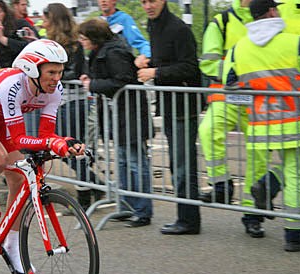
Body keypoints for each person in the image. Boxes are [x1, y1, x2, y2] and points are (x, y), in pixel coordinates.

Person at [0, 39, 85, 273]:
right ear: (32, 70)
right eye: (51, 72)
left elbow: (45, 134)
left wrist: (64, 144)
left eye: (60, 72)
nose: (57, 78)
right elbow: (20, 140)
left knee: (20, 179)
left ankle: (11, 244)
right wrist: (55, 143)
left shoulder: (55, 91)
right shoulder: (12, 86)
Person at [223, 0, 300, 251]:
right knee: (298, 176)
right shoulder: (297, 43)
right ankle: (294, 235)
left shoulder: (240, 49)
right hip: (298, 122)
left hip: (264, 125)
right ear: (272, 12)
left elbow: (229, 83)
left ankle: (269, 183)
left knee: (292, 171)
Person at [197, 0, 269, 238]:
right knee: (208, 131)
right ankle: (221, 185)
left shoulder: (270, 16)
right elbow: (208, 61)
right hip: (227, 95)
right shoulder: (222, 21)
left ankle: (252, 215)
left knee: (257, 155)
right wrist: (237, 73)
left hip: (258, 98)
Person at [79, 18, 154, 228]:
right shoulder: (103, 51)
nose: (81, 41)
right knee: (123, 161)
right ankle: (129, 206)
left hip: (128, 115)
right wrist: (89, 77)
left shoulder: (113, 52)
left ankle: (142, 210)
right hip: (118, 115)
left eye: (84, 38)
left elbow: (123, 80)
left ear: (94, 38)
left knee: (136, 162)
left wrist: (93, 84)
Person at [136, 0, 201, 234]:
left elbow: (190, 67)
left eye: (151, 0)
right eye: (143, 2)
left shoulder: (178, 28)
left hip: (184, 107)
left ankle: (189, 220)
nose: (147, 6)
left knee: (184, 166)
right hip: (171, 106)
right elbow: (169, 60)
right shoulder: (155, 26)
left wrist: (155, 71)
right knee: (178, 164)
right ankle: (186, 217)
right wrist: (149, 62)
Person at [250, 0, 300, 213]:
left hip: (272, 117)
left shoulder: (248, 43)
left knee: (297, 168)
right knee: (299, 170)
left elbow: (232, 80)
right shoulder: (290, 17)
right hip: (299, 112)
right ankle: (295, 230)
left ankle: (268, 184)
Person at [42, 3, 101, 210]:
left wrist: (50, 75)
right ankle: (95, 184)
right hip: (62, 101)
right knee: (63, 147)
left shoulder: (72, 44)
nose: (43, 23)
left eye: (46, 19)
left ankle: (88, 193)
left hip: (73, 100)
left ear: (54, 20)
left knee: (70, 148)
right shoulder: (51, 42)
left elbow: (73, 72)